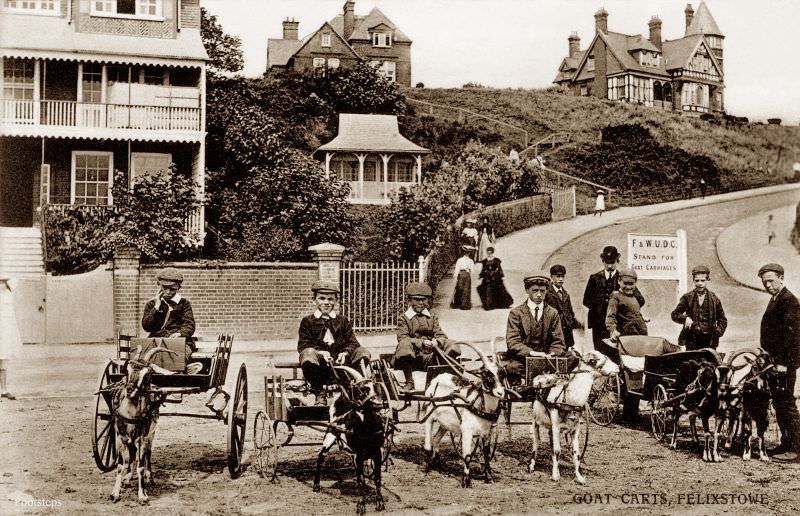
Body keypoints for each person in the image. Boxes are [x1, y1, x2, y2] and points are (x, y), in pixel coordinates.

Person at [298, 280, 372, 406]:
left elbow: (353, 342)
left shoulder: (342, 321)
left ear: (336, 301)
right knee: (308, 353)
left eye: (330, 299)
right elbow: (304, 344)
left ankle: (357, 390)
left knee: (362, 351)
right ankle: (320, 394)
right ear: (314, 300)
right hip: (319, 366)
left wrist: (345, 352)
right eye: (322, 298)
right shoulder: (307, 321)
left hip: (341, 364)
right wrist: (320, 352)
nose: (326, 303)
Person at [757, 263, 800, 462]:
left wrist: (784, 363)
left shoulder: (789, 301)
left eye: (771, 280)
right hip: (774, 363)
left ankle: (795, 449)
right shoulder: (776, 299)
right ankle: (786, 443)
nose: (768, 285)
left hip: (783, 365)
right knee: (780, 403)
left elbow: (793, 337)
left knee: (787, 404)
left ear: (781, 278)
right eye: (765, 282)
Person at [394, 282, 461, 392]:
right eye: (417, 300)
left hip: (430, 356)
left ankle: (450, 375)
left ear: (428, 301)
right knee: (404, 344)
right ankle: (409, 382)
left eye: (424, 300)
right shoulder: (404, 318)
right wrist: (422, 342)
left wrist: (437, 341)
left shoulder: (432, 316)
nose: (421, 303)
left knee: (452, 343)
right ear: (410, 301)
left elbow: (441, 335)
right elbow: (402, 338)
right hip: (412, 357)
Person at [583, 246, 644, 359]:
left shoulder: (624, 279)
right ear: (603, 261)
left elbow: (640, 300)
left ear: (617, 261)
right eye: (607, 262)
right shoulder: (594, 278)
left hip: (618, 325)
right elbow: (586, 301)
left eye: (612, 262)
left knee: (617, 355)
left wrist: (623, 307)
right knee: (600, 355)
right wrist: (603, 305)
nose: (609, 266)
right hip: (599, 325)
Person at [505, 272, 566, 383]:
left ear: (547, 291)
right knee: (512, 368)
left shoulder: (552, 313)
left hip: (547, 358)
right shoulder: (516, 313)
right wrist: (532, 353)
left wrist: (552, 353)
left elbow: (559, 340)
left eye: (542, 291)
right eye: (535, 290)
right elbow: (513, 342)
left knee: (571, 360)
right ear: (527, 290)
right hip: (522, 359)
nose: (539, 295)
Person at [670, 265, 727, 350]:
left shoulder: (714, 299)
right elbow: (674, 314)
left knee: (709, 362)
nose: (699, 283)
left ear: (707, 280)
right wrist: (685, 318)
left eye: (703, 280)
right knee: (692, 362)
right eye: (697, 280)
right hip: (692, 340)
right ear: (693, 281)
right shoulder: (687, 298)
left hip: (709, 341)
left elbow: (722, 319)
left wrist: (717, 332)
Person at [141, 267, 196, 347]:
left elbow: (189, 325)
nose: (168, 292)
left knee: (176, 356)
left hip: (179, 342)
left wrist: (179, 334)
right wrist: (156, 307)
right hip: (156, 342)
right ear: (159, 285)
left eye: (172, 289)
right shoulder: (151, 304)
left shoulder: (184, 303)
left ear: (178, 288)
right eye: (165, 288)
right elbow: (147, 327)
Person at [606, 268, 648, 340]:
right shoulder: (615, 297)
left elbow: (632, 312)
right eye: (625, 283)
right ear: (619, 281)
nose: (628, 287)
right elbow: (610, 316)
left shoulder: (635, 297)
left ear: (635, 283)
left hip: (641, 335)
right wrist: (613, 331)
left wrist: (641, 318)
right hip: (626, 336)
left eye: (631, 284)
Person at [545, 264, 577, 351]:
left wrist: (571, 322)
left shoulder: (566, 294)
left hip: (566, 332)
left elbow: (570, 311)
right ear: (552, 277)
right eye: (558, 276)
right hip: (553, 331)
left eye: (562, 276)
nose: (561, 279)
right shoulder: (547, 294)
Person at [0, 274, 23, 400]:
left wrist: (5, 281)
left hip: (4, 330)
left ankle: (3, 390)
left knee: (3, 359)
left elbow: (13, 280)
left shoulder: (7, 294)